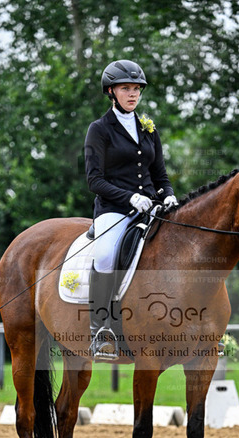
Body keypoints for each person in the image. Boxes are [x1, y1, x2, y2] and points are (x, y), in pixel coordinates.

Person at [85, 59, 178, 359]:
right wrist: (129, 198)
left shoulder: (148, 128)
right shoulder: (99, 130)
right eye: (126, 88)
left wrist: (169, 196)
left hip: (151, 208)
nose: (133, 94)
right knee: (105, 255)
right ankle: (100, 329)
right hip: (114, 210)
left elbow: (160, 175)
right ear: (111, 92)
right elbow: (94, 180)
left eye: (137, 88)